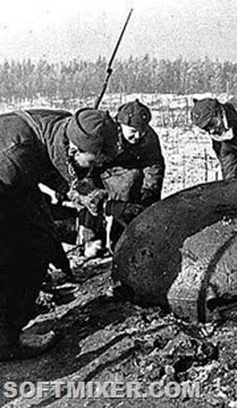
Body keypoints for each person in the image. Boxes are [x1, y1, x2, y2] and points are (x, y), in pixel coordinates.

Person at [0, 107, 119, 360]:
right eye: (95, 160)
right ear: (76, 149)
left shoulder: (65, 126)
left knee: (39, 242)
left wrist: (78, 191)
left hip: (15, 179)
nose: (97, 166)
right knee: (23, 254)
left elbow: (50, 161)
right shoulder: (16, 154)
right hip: (4, 185)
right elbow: (25, 168)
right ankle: (6, 341)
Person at [79, 99, 165, 257]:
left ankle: (121, 237)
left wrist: (149, 190)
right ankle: (91, 238)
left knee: (133, 184)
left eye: (142, 130)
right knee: (98, 195)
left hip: (127, 171)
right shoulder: (105, 133)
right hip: (97, 170)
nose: (138, 136)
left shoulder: (149, 137)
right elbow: (86, 163)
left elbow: (154, 164)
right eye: (132, 131)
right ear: (119, 125)